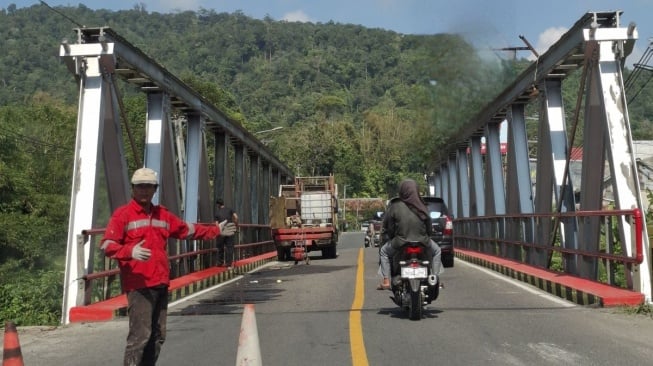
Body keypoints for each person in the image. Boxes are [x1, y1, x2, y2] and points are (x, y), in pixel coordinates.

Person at [100, 168, 236, 366]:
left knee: (157, 335)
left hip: (160, 282)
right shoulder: (123, 215)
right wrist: (129, 251)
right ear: (133, 189)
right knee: (140, 336)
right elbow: (107, 245)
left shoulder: (161, 214)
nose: (144, 191)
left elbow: (186, 230)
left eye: (149, 186)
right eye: (140, 186)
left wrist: (215, 230)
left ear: (155, 189)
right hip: (139, 285)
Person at [377, 178, 442, 290]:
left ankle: (386, 280)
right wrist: (426, 236)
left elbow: (390, 229)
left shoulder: (395, 206)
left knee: (383, 252)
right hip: (422, 241)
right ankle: (434, 278)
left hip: (400, 242)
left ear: (402, 191)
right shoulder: (422, 205)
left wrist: (393, 237)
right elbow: (429, 228)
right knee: (437, 251)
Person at [214, 198, 239, 267]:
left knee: (220, 247)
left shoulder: (217, 213)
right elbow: (236, 217)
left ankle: (220, 262)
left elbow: (216, 224)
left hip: (222, 231)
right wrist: (236, 225)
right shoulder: (230, 209)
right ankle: (228, 263)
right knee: (229, 247)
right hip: (230, 230)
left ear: (218, 205)